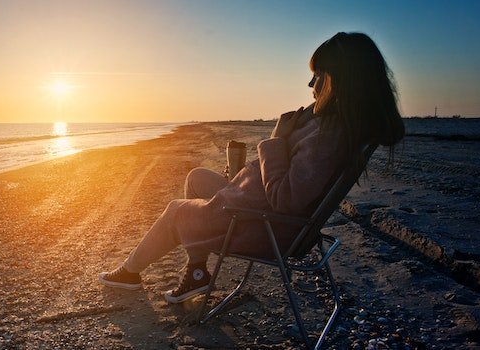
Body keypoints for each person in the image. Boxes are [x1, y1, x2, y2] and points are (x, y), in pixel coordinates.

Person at [98, 32, 405, 303]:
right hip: (255, 209)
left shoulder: (328, 136)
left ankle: (128, 274)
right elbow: (289, 182)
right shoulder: (334, 127)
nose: (311, 85)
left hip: (261, 225)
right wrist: (247, 174)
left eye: (318, 75)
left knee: (177, 210)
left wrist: (276, 139)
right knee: (197, 178)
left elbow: (284, 201)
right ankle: (196, 275)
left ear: (339, 81)